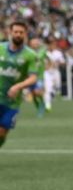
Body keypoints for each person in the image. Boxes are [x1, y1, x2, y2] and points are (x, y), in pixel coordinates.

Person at [0, 21, 39, 149]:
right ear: (10, 33)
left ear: (25, 34)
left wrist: (17, 86)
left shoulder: (30, 55)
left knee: (2, 133)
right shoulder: (1, 48)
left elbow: (33, 78)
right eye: (15, 32)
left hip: (12, 102)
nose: (18, 34)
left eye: (21, 32)